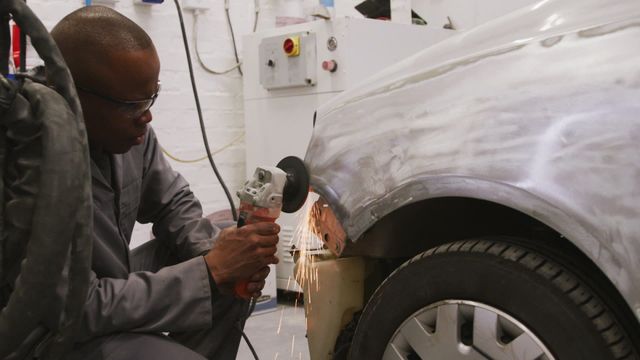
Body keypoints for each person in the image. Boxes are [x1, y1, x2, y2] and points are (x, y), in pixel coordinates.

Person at [49, 5, 279, 360]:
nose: (147, 116)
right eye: (132, 105)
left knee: (224, 267)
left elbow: (173, 203)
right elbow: (76, 310)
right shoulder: (32, 165)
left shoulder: (131, 134)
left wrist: (218, 254)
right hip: (62, 327)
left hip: (107, 290)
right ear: (72, 96)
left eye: (151, 96)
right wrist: (210, 269)